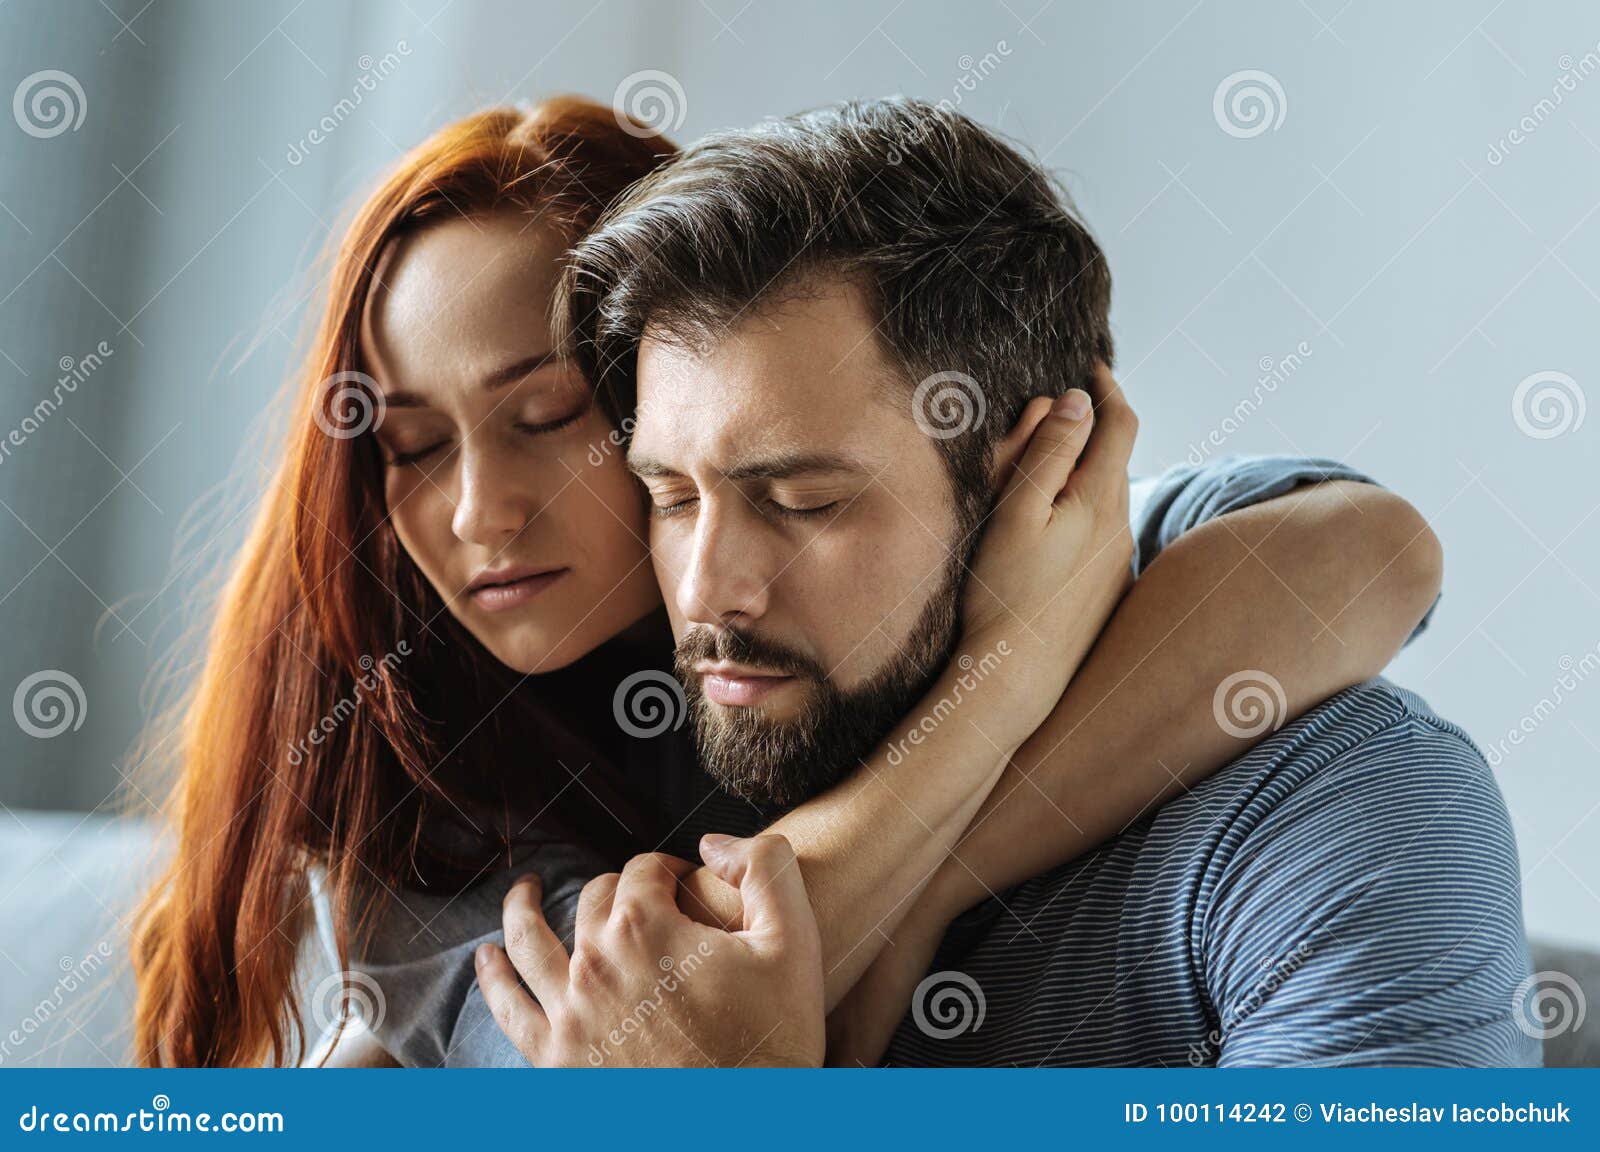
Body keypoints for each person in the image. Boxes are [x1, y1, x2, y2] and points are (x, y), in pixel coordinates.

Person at [130, 97, 1441, 1069]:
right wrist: (1009, 676)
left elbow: (1367, 550)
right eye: (411, 444)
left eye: (545, 415)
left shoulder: (1007, 548)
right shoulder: (413, 791)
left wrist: (931, 875)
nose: (476, 509)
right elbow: (657, 1004)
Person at [469, 98, 1535, 1067]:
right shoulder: (587, 756)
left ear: (1039, 478)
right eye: (672, 497)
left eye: (802, 503)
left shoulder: (1334, 814)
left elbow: (1370, 548)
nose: (706, 593)